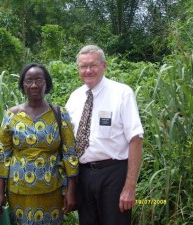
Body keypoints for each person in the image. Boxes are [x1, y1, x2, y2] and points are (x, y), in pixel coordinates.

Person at [66, 45, 144, 225]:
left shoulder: (122, 93)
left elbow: (136, 139)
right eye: (83, 66)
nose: (88, 70)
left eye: (93, 65)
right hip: (83, 175)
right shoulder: (75, 97)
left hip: (114, 175)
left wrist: (130, 186)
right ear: (78, 69)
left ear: (104, 66)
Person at [0, 63, 79, 225]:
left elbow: (70, 154)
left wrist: (71, 191)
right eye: (29, 80)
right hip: (18, 190)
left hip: (51, 189)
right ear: (23, 85)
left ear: (46, 84)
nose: (34, 85)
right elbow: (3, 156)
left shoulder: (59, 114)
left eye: (39, 80)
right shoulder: (12, 115)